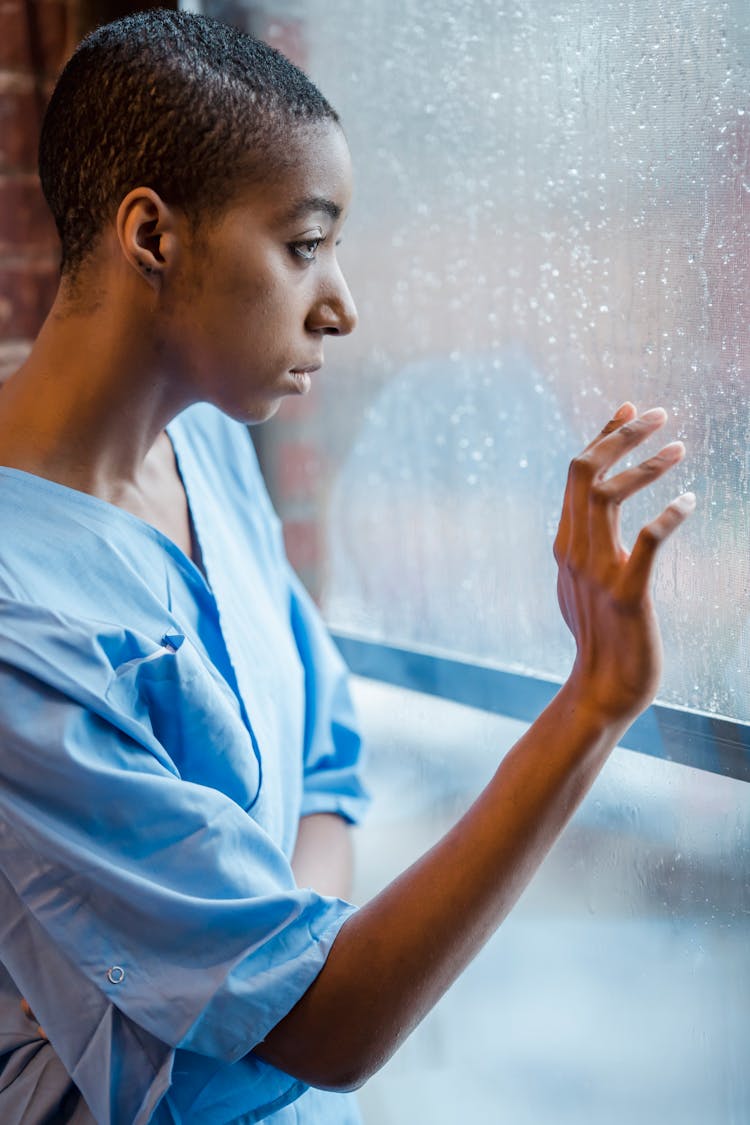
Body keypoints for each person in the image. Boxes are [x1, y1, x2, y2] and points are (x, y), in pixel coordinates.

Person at [0, 9, 695, 1124]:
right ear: (151, 236)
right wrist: (593, 705)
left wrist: (272, 966)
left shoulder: (212, 447)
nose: (343, 304)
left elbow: (326, 766)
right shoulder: (16, 621)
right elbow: (334, 1024)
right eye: (303, 244)